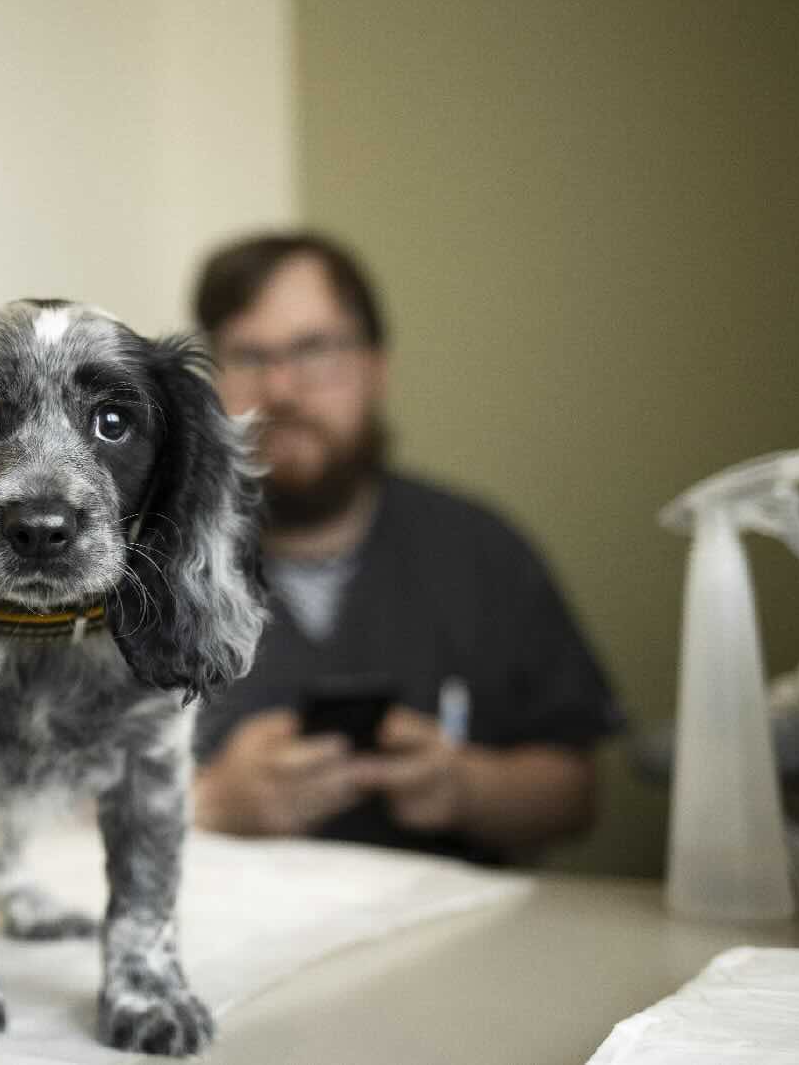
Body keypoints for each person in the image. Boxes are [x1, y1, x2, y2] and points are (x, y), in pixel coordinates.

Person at [189, 231, 624, 864]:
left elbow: (575, 794)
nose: (281, 389)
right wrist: (209, 803)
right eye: (249, 357)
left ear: (376, 368)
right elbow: (56, 797)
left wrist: (467, 787)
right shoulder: (144, 571)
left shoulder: (481, 554)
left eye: (314, 350)